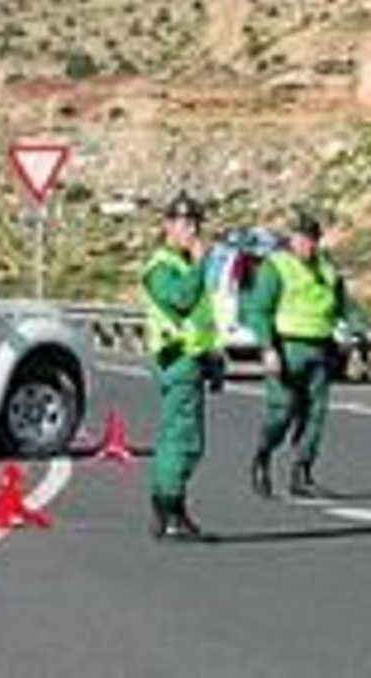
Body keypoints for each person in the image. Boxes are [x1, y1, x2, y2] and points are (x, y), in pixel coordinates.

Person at [244, 206, 371, 499]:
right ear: (292, 239)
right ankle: (263, 456)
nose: (307, 245)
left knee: (316, 415)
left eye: (312, 239)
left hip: (320, 351)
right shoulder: (276, 267)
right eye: (301, 238)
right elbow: (258, 311)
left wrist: (361, 329)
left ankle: (302, 473)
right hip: (286, 349)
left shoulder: (327, 270)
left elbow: (345, 307)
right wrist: (267, 349)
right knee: (282, 411)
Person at [141, 192, 221, 542]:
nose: (191, 230)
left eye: (195, 224)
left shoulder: (184, 264)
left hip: (192, 359)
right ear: (167, 226)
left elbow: (201, 320)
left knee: (179, 438)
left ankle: (171, 510)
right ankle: (169, 510)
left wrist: (213, 357)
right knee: (183, 441)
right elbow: (183, 300)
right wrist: (203, 264)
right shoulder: (162, 267)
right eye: (183, 223)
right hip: (176, 361)